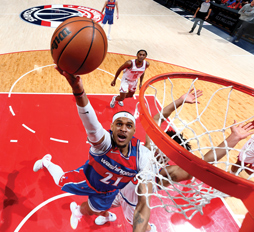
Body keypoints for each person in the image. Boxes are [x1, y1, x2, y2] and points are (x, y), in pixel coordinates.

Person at [96, 89, 254, 230]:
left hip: (133, 204)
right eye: (163, 147)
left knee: (140, 227)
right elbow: (157, 118)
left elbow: (203, 163)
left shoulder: (163, 174)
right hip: (118, 188)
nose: (162, 153)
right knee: (105, 200)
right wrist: (180, 100)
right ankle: (104, 214)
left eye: (167, 155)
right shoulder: (148, 148)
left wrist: (233, 138)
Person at [33, 66, 154, 231]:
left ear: (133, 131)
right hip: (87, 180)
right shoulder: (104, 142)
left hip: (110, 190)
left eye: (128, 126)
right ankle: (46, 162)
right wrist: (78, 91)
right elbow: (90, 121)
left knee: (99, 207)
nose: (123, 129)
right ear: (112, 126)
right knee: (60, 181)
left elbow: (146, 196)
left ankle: (101, 214)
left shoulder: (141, 156)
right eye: (119, 124)